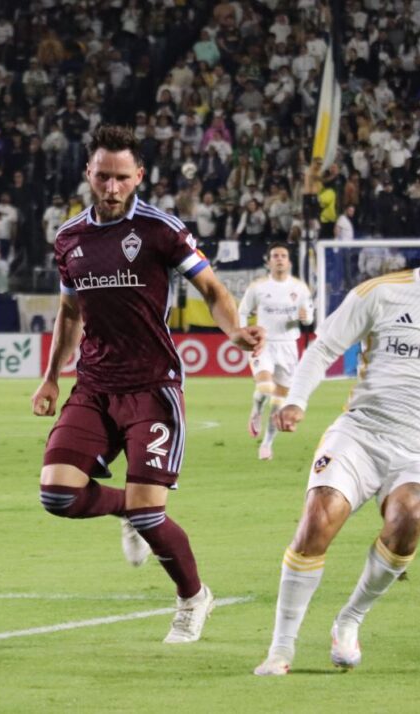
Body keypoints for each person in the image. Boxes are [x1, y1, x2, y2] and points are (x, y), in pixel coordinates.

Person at [31, 125, 265, 643]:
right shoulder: (69, 238)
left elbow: (211, 287)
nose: (111, 186)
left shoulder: (162, 229)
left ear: (138, 176)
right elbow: (69, 314)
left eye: (121, 177)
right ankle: (128, 510)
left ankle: (192, 598)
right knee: (57, 495)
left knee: (150, 511)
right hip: (93, 385)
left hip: (152, 388)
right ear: (88, 174)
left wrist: (234, 332)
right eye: (102, 176)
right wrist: (51, 379)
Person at [253, 205, 420, 676]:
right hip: (362, 434)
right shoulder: (382, 294)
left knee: (409, 514)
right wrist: (297, 401)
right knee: (317, 521)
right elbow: (325, 345)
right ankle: (281, 650)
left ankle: (349, 621)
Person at [237, 242, 314, 460]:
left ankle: (267, 444)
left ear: (289, 261)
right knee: (265, 386)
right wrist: (245, 333)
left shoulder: (300, 288)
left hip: (289, 346)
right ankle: (256, 411)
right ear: (269, 261)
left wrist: (304, 317)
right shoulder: (258, 287)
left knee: (279, 402)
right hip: (264, 344)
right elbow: (242, 311)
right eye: (275, 255)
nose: (279, 259)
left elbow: (308, 316)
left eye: (283, 255)